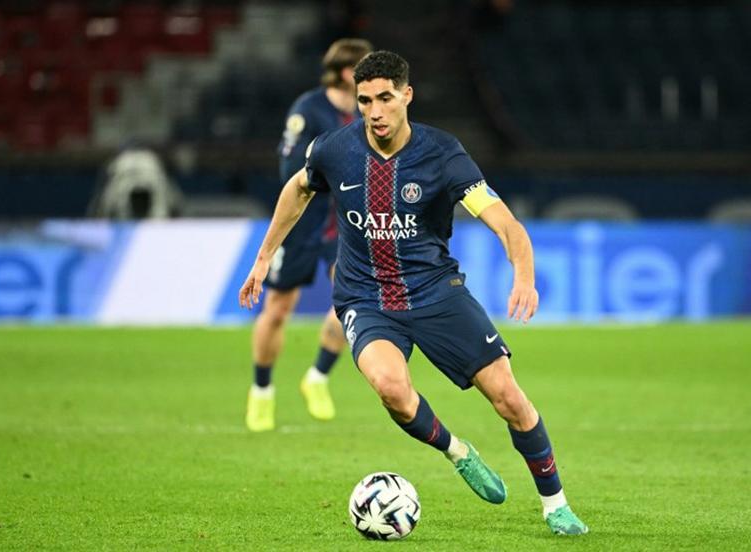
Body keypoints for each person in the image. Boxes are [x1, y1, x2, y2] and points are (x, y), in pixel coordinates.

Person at [239, 51, 588, 535]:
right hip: (366, 300)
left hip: (436, 293)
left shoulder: (442, 154)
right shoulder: (333, 149)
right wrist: (263, 257)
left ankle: (556, 504)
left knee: (508, 396)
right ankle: (458, 452)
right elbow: (297, 190)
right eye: (365, 101)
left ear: (407, 95)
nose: (375, 112)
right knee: (392, 390)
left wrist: (523, 275)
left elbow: (505, 223)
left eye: (385, 98)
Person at [245, 38, 374, 432]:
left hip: (348, 225)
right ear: (349, 72)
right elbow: (290, 172)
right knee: (279, 308)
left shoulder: (370, 112)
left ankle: (317, 377)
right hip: (303, 223)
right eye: (366, 70)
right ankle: (261, 390)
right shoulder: (309, 109)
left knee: (353, 301)